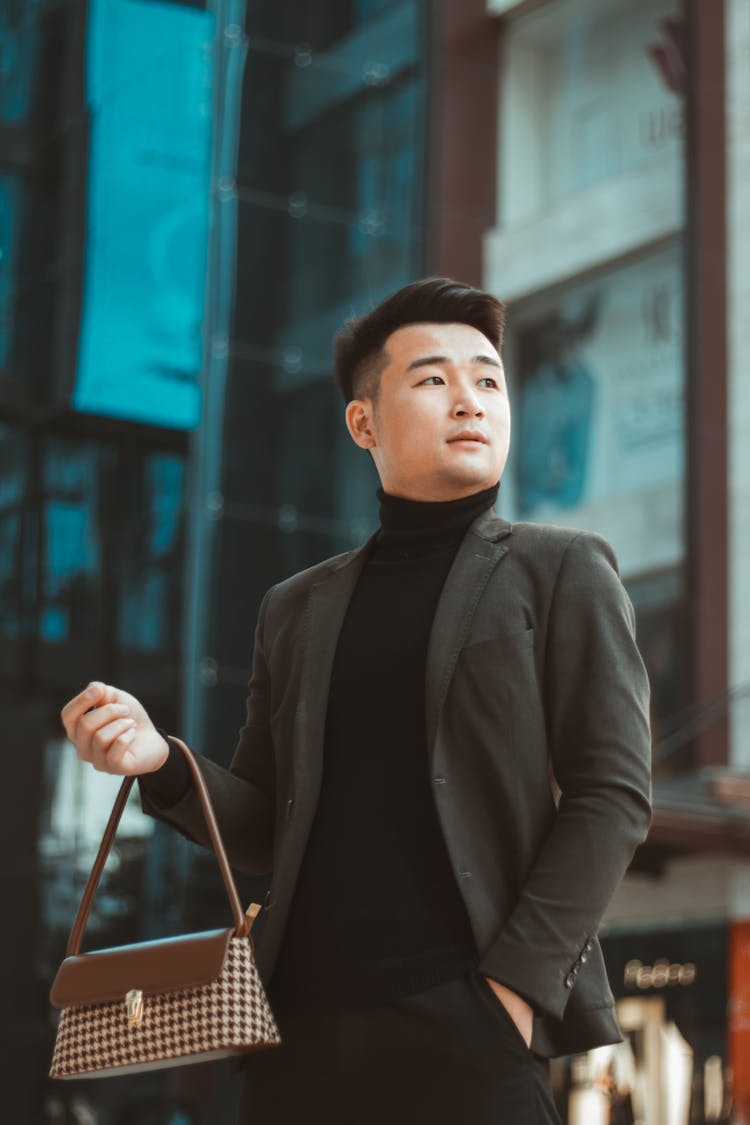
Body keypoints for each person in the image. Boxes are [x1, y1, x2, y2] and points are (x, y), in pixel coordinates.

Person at [61, 278, 652, 1124]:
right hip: (295, 1035)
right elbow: (269, 824)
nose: (470, 400)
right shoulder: (297, 606)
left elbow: (613, 791)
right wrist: (161, 762)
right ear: (363, 422)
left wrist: (513, 989)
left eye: (488, 379)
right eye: (433, 378)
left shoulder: (561, 568)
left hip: (469, 1029)